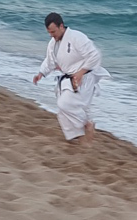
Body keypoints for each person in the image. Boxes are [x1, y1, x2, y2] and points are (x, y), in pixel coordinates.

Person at [32, 13, 109, 144]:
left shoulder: (76, 37)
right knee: (63, 112)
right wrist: (41, 73)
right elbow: (50, 61)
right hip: (70, 79)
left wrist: (81, 72)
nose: (51, 35)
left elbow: (95, 55)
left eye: (53, 32)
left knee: (65, 104)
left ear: (61, 26)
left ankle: (87, 124)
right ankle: (77, 137)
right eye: (49, 32)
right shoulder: (53, 43)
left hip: (85, 77)